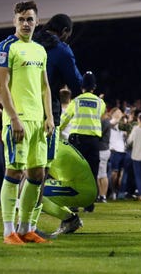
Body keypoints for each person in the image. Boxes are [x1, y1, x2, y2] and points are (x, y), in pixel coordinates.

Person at [0, 0, 55, 244]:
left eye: (30, 19)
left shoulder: (40, 50)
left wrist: (49, 116)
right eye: (21, 19)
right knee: (14, 172)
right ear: (14, 22)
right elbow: (1, 86)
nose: (26, 23)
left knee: (37, 174)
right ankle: (8, 231)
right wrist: (15, 119)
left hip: (38, 122)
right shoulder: (6, 47)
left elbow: (45, 87)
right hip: (17, 122)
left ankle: (26, 228)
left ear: (37, 21)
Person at [58, 71, 106, 212]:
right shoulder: (100, 103)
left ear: (82, 87)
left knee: (75, 173)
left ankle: (74, 203)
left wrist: (55, 130)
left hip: (77, 141)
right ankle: (89, 204)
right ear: (94, 87)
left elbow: (64, 119)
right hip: (93, 141)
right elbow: (100, 114)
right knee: (92, 172)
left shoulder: (76, 101)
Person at [32, 13, 83, 127]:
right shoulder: (62, 50)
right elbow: (76, 82)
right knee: (47, 145)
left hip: (23, 109)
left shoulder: (28, 43)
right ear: (64, 31)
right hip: (47, 111)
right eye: (67, 35)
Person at [42, 139, 97, 237]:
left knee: (34, 190)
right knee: (34, 188)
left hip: (80, 190)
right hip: (84, 188)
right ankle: (70, 219)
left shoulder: (47, 147)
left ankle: (70, 220)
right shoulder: (55, 143)